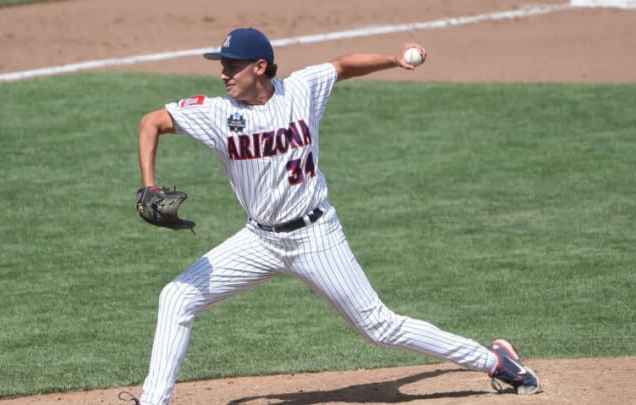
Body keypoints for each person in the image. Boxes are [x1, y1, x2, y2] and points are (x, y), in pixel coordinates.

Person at [123, 27, 540, 405]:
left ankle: (494, 360)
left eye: (232, 65)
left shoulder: (302, 90)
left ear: (260, 67)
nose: (223, 74)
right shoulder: (216, 113)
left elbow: (342, 66)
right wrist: (149, 186)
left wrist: (394, 60)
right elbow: (150, 122)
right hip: (260, 241)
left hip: (315, 235)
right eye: (222, 65)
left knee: (380, 327)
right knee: (176, 296)